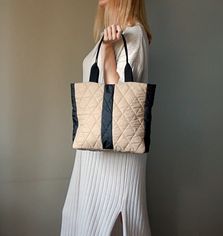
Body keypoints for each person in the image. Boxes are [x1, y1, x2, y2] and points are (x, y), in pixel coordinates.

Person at [60, 0, 152, 235]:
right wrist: (106, 46)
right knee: (81, 221)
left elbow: (121, 100)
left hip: (115, 161)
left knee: (108, 225)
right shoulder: (111, 35)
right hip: (92, 154)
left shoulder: (134, 34)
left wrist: (109, 51)